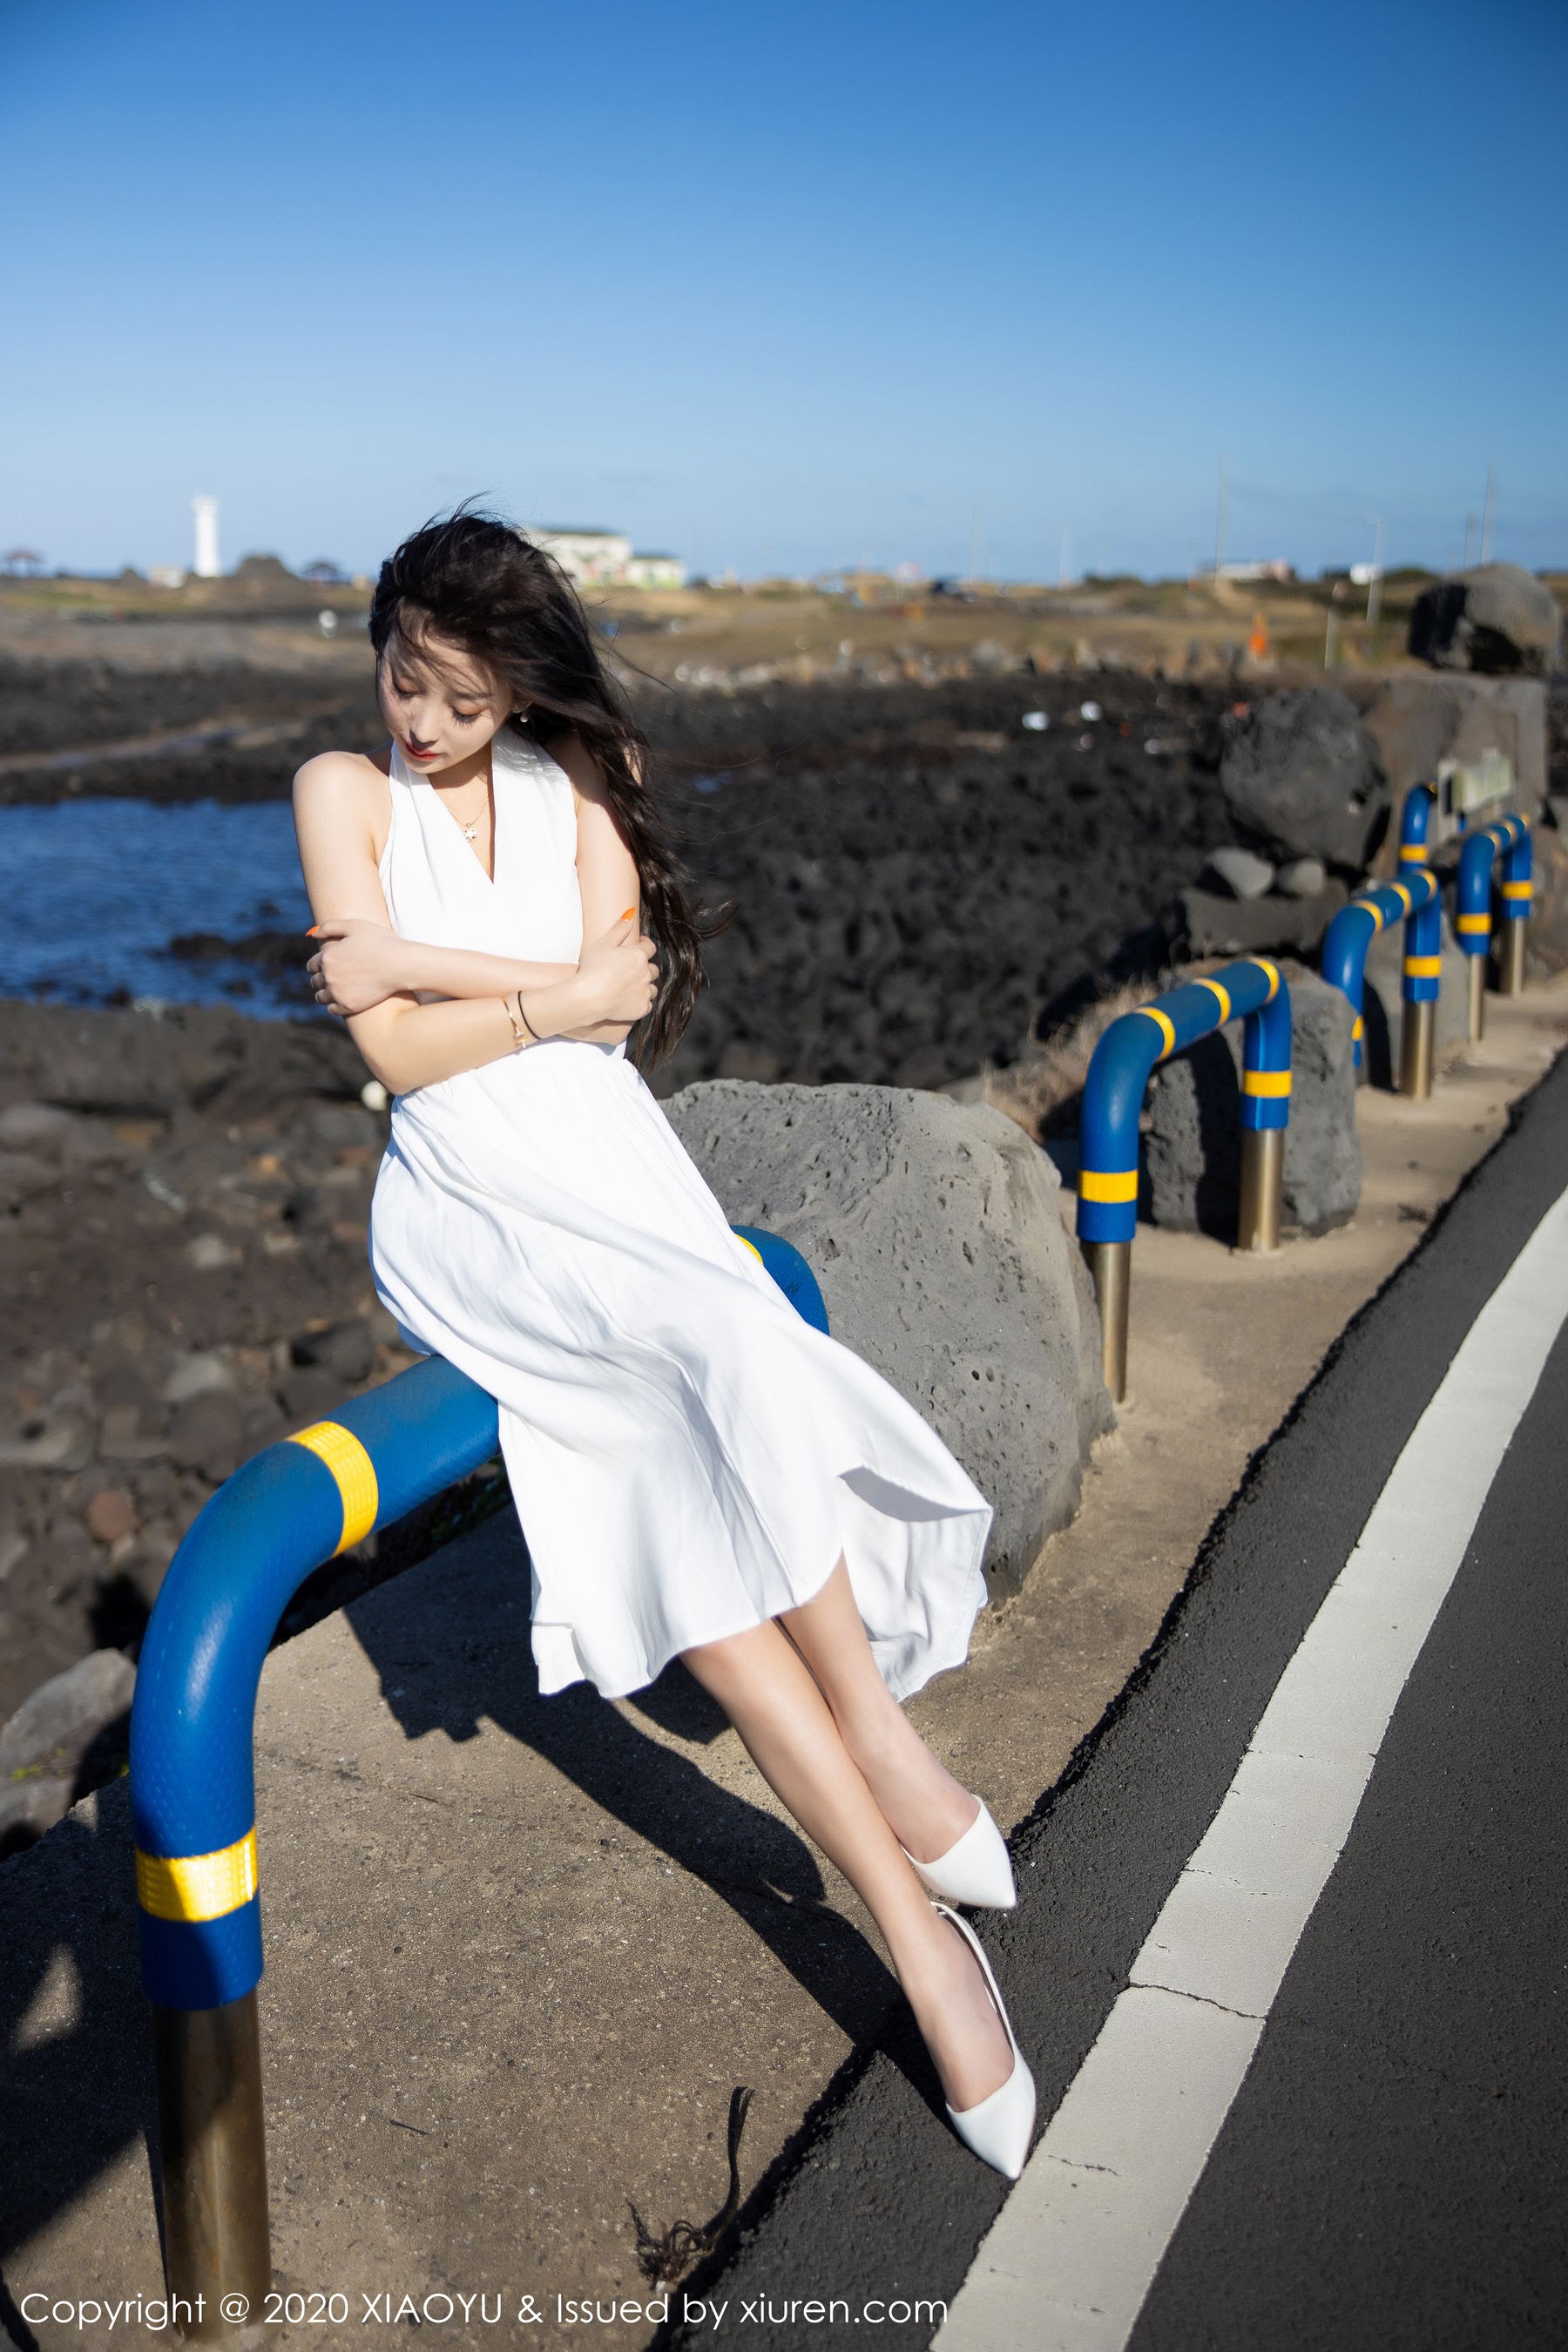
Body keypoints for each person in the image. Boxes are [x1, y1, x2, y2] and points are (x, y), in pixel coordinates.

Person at [293, 510, 1035, 2178]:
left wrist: (420, 964)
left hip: (606, 1157)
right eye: (407, 682)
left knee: (730, 1360)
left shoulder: (580, 777)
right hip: (473, 1196)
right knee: (686, 1432)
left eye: (466, 700)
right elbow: (405, 1065)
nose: (428, 723)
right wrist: (538, 997)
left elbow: (612, 1000)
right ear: (381, 645)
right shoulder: (340, 791)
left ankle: (882, 1745)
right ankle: (909, 1921)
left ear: (519, 687)